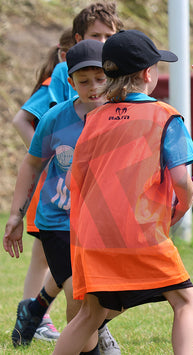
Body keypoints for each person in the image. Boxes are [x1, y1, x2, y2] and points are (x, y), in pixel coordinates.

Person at [51, 29, 193, 355]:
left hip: (92, 236)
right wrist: (184, 204)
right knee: (185, 299)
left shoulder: (94, 117)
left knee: (90, 314)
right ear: (149, 74)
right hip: (139, 233)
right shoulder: (165, 116)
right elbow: (180, 181)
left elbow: (79, 178)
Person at [10, 3, 125, 353]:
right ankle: (90, 345)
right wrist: (16, 214)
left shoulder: (120, 116)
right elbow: (30, 164)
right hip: (58, 221)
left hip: (97, 221)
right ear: (70, 80)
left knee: (109, 293)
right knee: (81, 288)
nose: (93, 87)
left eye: (100, 79)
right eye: (83, 80)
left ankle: (37, 311)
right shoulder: (55, 119)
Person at [11, 27, 75, 343]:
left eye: (108, 36)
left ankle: (33, 315)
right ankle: (36, 316)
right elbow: (22, 119)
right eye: (95, 35)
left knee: (62, 258)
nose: (102, 43)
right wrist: (46, 156)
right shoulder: (62, 75)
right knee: (51, 257)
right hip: (57, 187)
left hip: (77, 186)